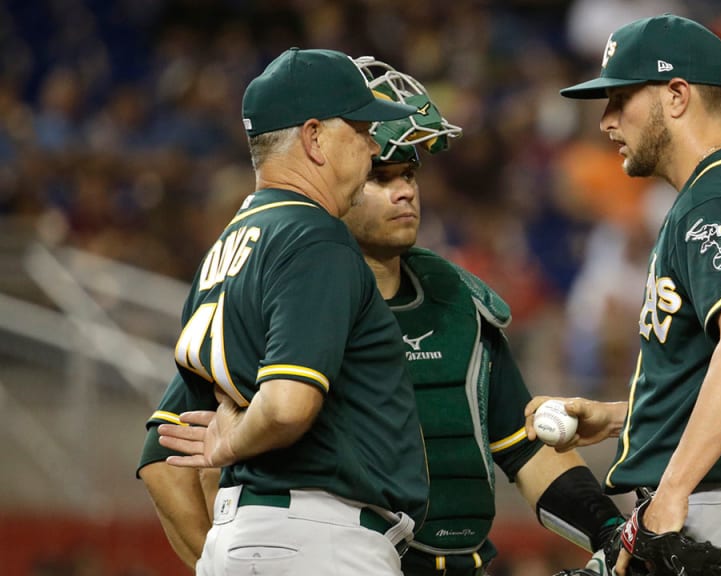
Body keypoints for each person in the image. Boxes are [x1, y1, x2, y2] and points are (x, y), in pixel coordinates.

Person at [139, 57, 625, 576]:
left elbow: (529, 446)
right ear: (320, 151)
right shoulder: (289, 266)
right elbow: (166, 458)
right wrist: (215, 557)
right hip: (343, 547)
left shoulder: (455, 298)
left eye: (409, 173)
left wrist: (609, 532)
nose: (405, 190)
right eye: (380, 172)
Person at [528, 14, 721, 576]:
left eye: (620, 98)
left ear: (677, 95)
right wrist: (628, 418)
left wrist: (672, 490)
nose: (606, 120)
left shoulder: (719, 199)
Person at [151, 47, 429, 576]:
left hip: (243, 536)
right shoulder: (314, 237)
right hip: (319, 540)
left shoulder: (227, 248)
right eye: (363, 128)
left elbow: (160, 450)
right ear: (314, 137)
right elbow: (286, 406)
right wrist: (231, 441)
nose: (374, 145)